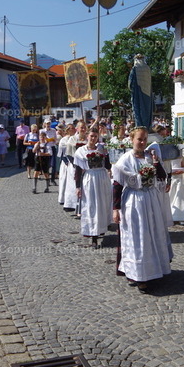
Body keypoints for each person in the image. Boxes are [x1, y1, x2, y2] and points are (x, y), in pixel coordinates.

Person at [112, 126, 173, 294]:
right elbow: (117, 185)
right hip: (134, 200)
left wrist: (156, 162)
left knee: (152, 233)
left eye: (145, 139)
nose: (142, 142)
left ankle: (154, 269)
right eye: (139, 139)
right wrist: (115, 209)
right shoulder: (125, 160)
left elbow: (161, 177)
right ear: (132, 139)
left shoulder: (150, 157)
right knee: (138, 236)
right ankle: (138, 274)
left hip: (151, 199)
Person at [74, 128, 112, 248]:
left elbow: (108, 165)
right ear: (87, 136)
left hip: (102, 178)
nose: (93, 138)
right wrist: (78, 187)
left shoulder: (101, 148)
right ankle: (93, 234)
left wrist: (107, 154)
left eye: (95, 136)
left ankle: (101, 228)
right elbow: (78, 170)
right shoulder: (81, 151)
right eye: (91, 136)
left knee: (102, 204)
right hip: (90, 178)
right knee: (91, 205)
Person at [128, 54, 153, 128]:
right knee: (147, 109)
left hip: (138, 91)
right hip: (148, 92)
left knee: (138, 109)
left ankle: (140, 126)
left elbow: (130, 82)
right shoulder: (147, 68)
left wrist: (130, 88)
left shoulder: (135, 68)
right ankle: (147, 126)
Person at [58, 124, 76, 206]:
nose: (73, 129)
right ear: (68, 130)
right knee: (64, 180)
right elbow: (61, 153)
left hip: (74, 162)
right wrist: (66, 161)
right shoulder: (63, 140)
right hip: (66, 162)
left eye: (74, 128)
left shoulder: (75, 138)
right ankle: (63, 198)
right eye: (72, 128)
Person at [41, 119, 58, 184]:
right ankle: (47, 179)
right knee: (46, 164)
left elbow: (56, 139)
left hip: (52, 147)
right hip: (46, 148)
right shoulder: (41, 131)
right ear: (44, 124)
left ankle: (52, 179)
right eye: (47, 123)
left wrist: (53, 140)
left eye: (49, 123)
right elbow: (41, 140)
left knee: (53, 164)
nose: (48, 125)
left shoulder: (53, 130)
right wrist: (46, 140)